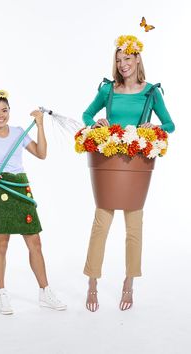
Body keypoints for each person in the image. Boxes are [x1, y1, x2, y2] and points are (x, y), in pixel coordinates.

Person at [82, 35, 175, 312]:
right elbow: (87, 115)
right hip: (108, 159)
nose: (123, 64)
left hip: (136, 163)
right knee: (101, 224)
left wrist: (153, 129)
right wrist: (96, 122)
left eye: (127, 58)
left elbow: (170, 124)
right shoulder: (107, 91)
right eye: (119, 60)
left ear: (137, 59)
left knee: (134, 227)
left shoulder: (151, 93)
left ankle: (129, 282)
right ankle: (93, 282)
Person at [0, 90, 67, 314]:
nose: (1, 115)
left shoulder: (20, 132)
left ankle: (45, 292)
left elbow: (41, 154)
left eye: (4, 110)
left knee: (35, 243)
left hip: (21, 187)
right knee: (1, 244)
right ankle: (1, 294)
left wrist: (40, 125)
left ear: (9, 111)